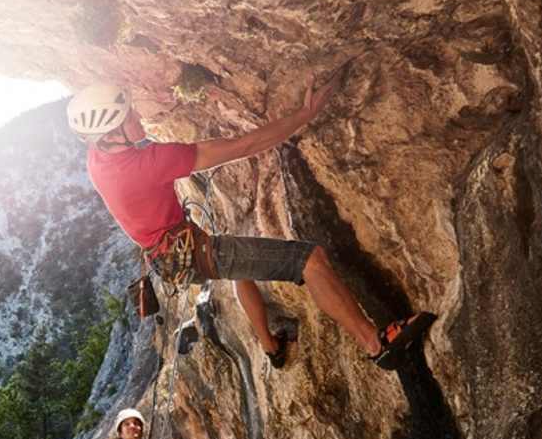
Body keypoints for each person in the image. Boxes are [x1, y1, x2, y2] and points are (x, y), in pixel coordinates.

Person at [67, 77, 434, 371]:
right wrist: (304, 114)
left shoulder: (98, 159)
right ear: (113, 133)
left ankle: (270, 346)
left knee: (240, 271)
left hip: (170, 260)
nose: (139, 118)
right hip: (195, 253)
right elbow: (242, 145)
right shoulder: (149, 163)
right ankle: (376, 344)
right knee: (309, 260)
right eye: (129, 117)